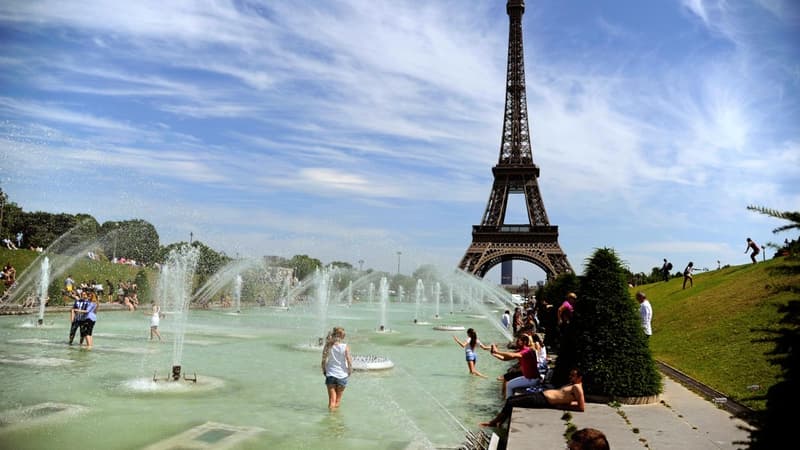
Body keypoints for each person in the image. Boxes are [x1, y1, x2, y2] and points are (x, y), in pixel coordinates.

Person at [480, 368, 585, 429]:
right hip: (542, 396)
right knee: (511, 400)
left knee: (511, 401)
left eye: (573, 376)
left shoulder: (577, 387)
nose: (571, 377)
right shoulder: (573, 385)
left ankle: (494, 423)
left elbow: (581, 407)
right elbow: (568, 398)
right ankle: (499, 422)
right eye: (571, 375)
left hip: (544, 401)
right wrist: (566, 404)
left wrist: (562, 406)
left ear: (580, 377)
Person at [321, 326, 352, 410]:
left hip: (331, 374)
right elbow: (349, 360)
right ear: (341, 336)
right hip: (342, 375)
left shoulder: (328, 345)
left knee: (332, 400)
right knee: (337, 401)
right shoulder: (345, 346)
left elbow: (323, 360)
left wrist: (324, 370)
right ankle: (335, 420)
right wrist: (349, 370)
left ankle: (331, 418)